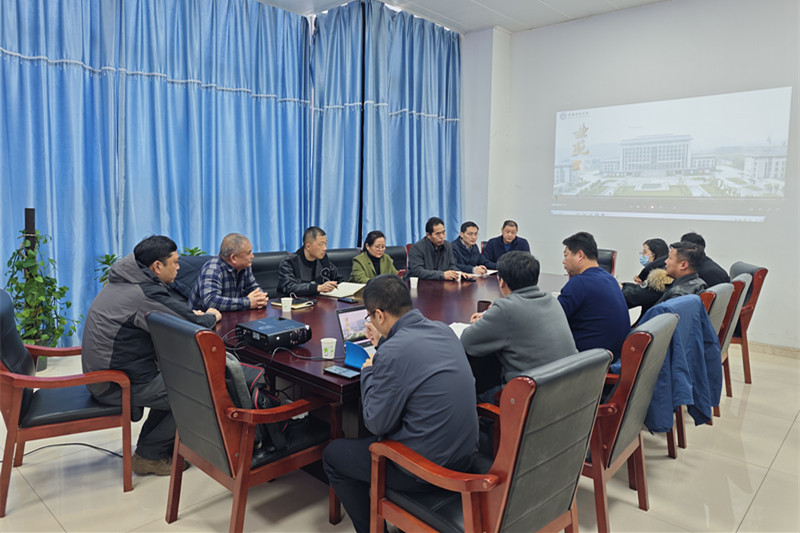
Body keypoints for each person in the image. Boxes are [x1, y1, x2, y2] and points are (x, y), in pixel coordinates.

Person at [322, 275, 478, 533]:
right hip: (464, 456)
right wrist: (384, 343)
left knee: (333, 455)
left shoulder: (392, 352)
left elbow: (375, 423)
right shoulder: (443, 330)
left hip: (426, 470)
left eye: (370, 317)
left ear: (379, 315)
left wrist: (369, 370)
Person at [82, 236, 221, 476]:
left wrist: (189, 316)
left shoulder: (124, 281)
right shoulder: (143, 292)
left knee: (177, 381)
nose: (179, 267)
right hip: (115, 383)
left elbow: (173, 316)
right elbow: (193, 324)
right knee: (196, 392)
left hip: (106, 373)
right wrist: (212, 315)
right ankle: (150, 456)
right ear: (157, 266)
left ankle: (150, 449)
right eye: (175, 262)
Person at [460, 251, 576, 402]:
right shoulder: (552, 301)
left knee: (469, 396)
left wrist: (493, 316)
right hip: (564, 393)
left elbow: (466, 342)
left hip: (528, 399)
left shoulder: (506, 310)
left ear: (502, 282)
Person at [558, 231, 630, 362]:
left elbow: (553, 321)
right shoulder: (610, 279)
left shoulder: (579, 283)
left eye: (566, 255)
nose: (563, 261)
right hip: (611, 356)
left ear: (580, 255)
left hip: (587, 361)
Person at [188, 232, 268, 311]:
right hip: (201, 318)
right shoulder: (212, 269)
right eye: (248, 253)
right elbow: (211, 301)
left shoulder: (244, 266)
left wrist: (260, 299)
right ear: (233, 258)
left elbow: (254, 289)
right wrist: (248, 302)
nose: (252, 256)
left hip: (230, 315)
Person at [278, 226, 343, 296]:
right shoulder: (289, 262)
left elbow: (337, 278)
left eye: (325, 244)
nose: (325, 248)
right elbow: (289, 287)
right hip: (296, 301)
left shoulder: (323, 259)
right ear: (308, 246)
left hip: (319, 300)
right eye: (321, 244)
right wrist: (317, 288)